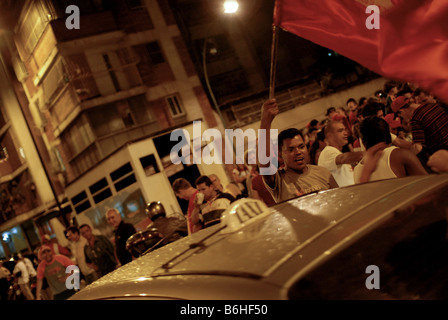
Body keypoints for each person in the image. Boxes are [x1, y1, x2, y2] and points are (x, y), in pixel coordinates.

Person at [259, 99, 338, 203]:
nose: (298, 152)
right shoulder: (279, 180)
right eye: (291, 149)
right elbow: (265, 164)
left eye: (301, 146)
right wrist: (266, 121)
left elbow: (339, 201)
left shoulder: (323, 173)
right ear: (279, 153)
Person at [353, 117, 428, 183]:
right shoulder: (400, 155)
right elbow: (428, 184)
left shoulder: (357, 172)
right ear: (388, 134)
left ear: (362, 141)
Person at [318, 120, 363, 187]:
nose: (345, 133)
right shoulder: (328, 151)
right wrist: (367, 154)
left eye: (345, 130)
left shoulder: (335, 152)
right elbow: (342, 158)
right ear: (330, 136)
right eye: (340, 131)